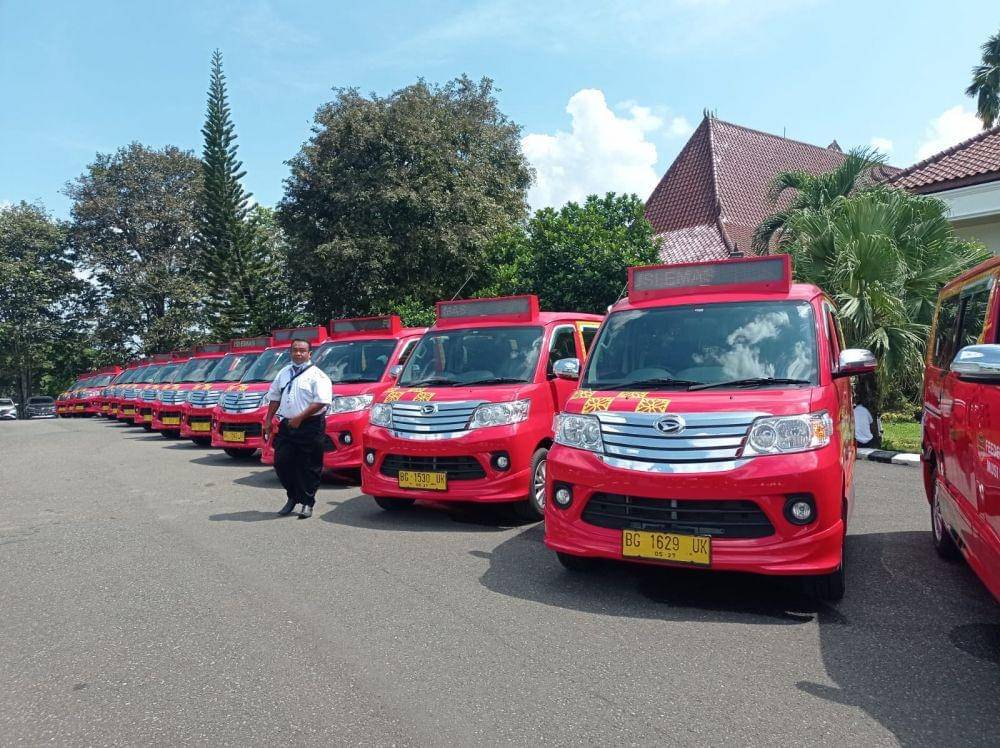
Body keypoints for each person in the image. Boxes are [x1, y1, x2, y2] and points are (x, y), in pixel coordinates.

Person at [263, 338, 333, 518]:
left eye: (302, 350)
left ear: (309, 354)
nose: (298, 353)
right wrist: (268, 420)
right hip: (287, 425)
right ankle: (293, 496)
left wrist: (300, 418)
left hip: (310, 426)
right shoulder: (283, 373)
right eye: (295, 350)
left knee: (309, 466)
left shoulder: (318, 376)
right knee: (281, 463)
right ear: (290, 352)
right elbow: (274, 397)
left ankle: (307, 502)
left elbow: (321, 402)